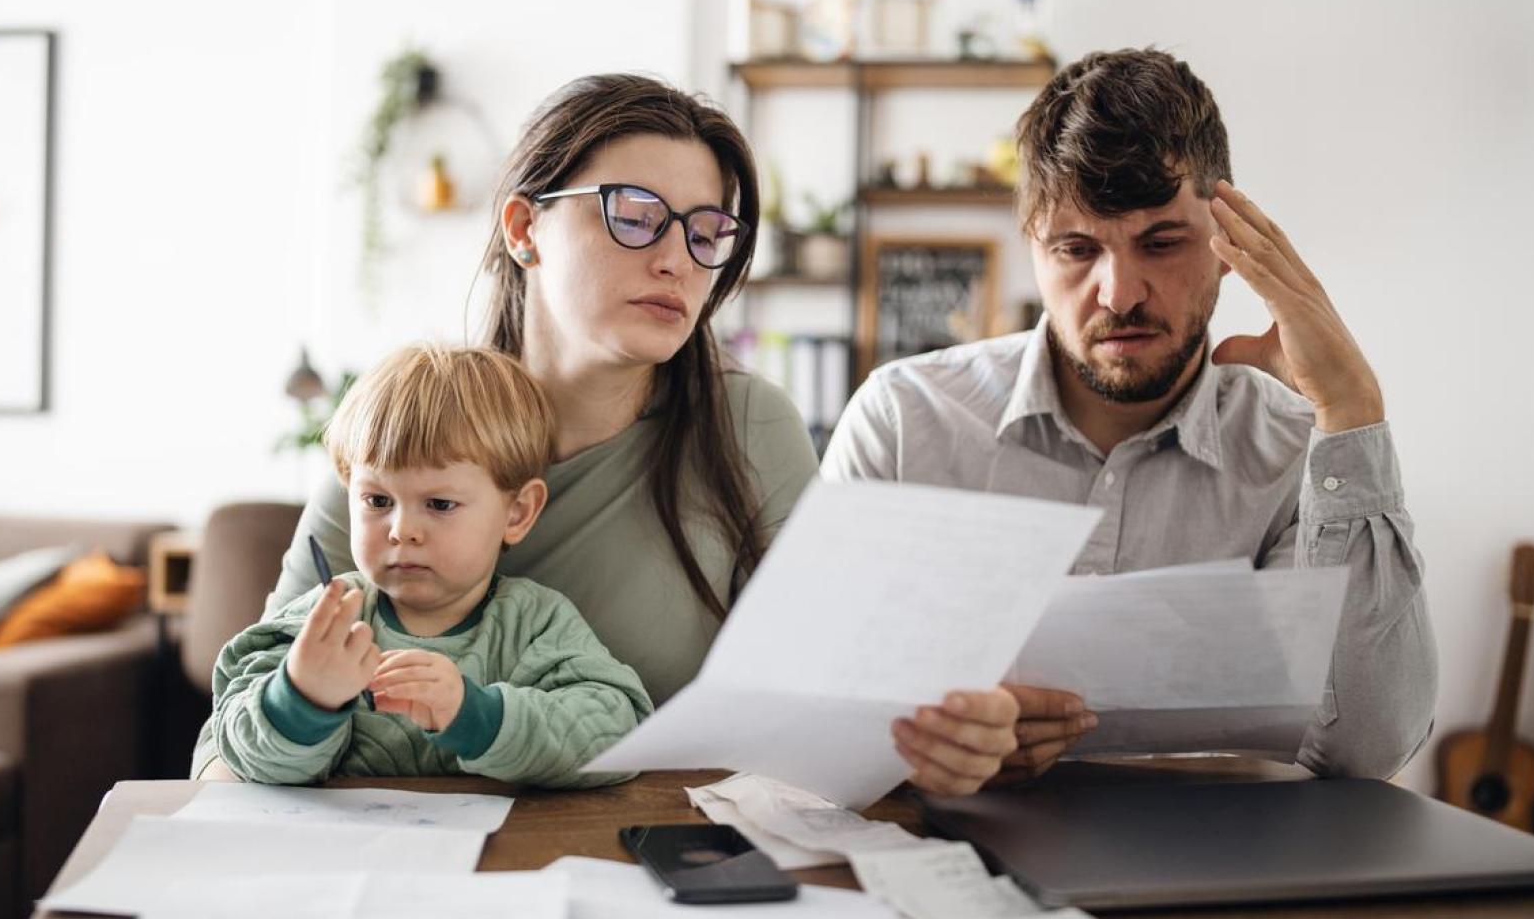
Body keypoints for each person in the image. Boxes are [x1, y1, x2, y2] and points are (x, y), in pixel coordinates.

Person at [194, 73, 1021, 795]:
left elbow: (831, 708)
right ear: (524, 229)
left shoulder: (749, 428)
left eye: (705, 233)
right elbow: (233, 740)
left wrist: (938, 737)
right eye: (634, 215)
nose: (676, 262)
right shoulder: (405, 433)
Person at [822, 48, 1436, 781]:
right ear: (1033, 253)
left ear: (1230, 245)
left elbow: (1367, 751)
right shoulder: (902, 422)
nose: (1119, 294)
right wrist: (927, 742)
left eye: (1162, 242)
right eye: (1077, 249)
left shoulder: (1302, 453)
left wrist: (1352, 410)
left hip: (1217, 871)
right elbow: (815, 707)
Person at [210, 345, 652, 787]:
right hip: (342, 852)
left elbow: (616, 734)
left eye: (439, 504)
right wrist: (302, 698)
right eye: (377, 501)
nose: (402, 530)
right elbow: (234, 744)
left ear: (517, 513)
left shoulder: (534, 623)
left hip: (494, 852)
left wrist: (476, 715)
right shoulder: (322, 621)